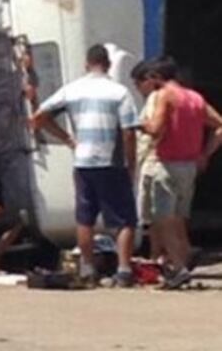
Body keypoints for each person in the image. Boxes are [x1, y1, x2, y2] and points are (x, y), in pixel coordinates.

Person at [30, 45, 139, 288]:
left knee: (85, 218)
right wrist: (131, 163)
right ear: (108, 64)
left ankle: (88, 268)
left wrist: (67, 138)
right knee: (124, 219)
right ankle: (123, 270)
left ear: (86, 64)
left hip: (83, 161)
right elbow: (128, 131)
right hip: (111, 160)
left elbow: (38, 118)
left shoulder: (72, 90)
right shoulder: (119, 92)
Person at [140, 57, 222, 288]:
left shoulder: (165, 96)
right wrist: (205, 153)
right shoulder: (195, 98)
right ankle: (182, 260)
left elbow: (155, 129)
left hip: (166, 164)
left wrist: (138, 124)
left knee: (163, 218)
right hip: (189, 167)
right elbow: (219, 125)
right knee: (178, 218)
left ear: (156, 77)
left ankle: (178, 268)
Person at [130, 60, 166, 264]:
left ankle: (157, 256)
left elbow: (154, 129)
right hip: (158, 159)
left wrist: (135, 124)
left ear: (148, 81)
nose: (138, 90)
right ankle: (162, 255)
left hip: (152, 160)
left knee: (153, 216)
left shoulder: (154, 99)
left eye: (137, 84)